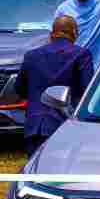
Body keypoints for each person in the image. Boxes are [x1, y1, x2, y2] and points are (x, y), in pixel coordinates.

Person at [15, 16, 93, 155]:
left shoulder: (31, 55)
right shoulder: (81, 54)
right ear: (75, 33)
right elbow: (87, 90)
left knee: (35, 171)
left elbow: (19, 89)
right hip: (64, 124)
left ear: (52, 34)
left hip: (34, 126)